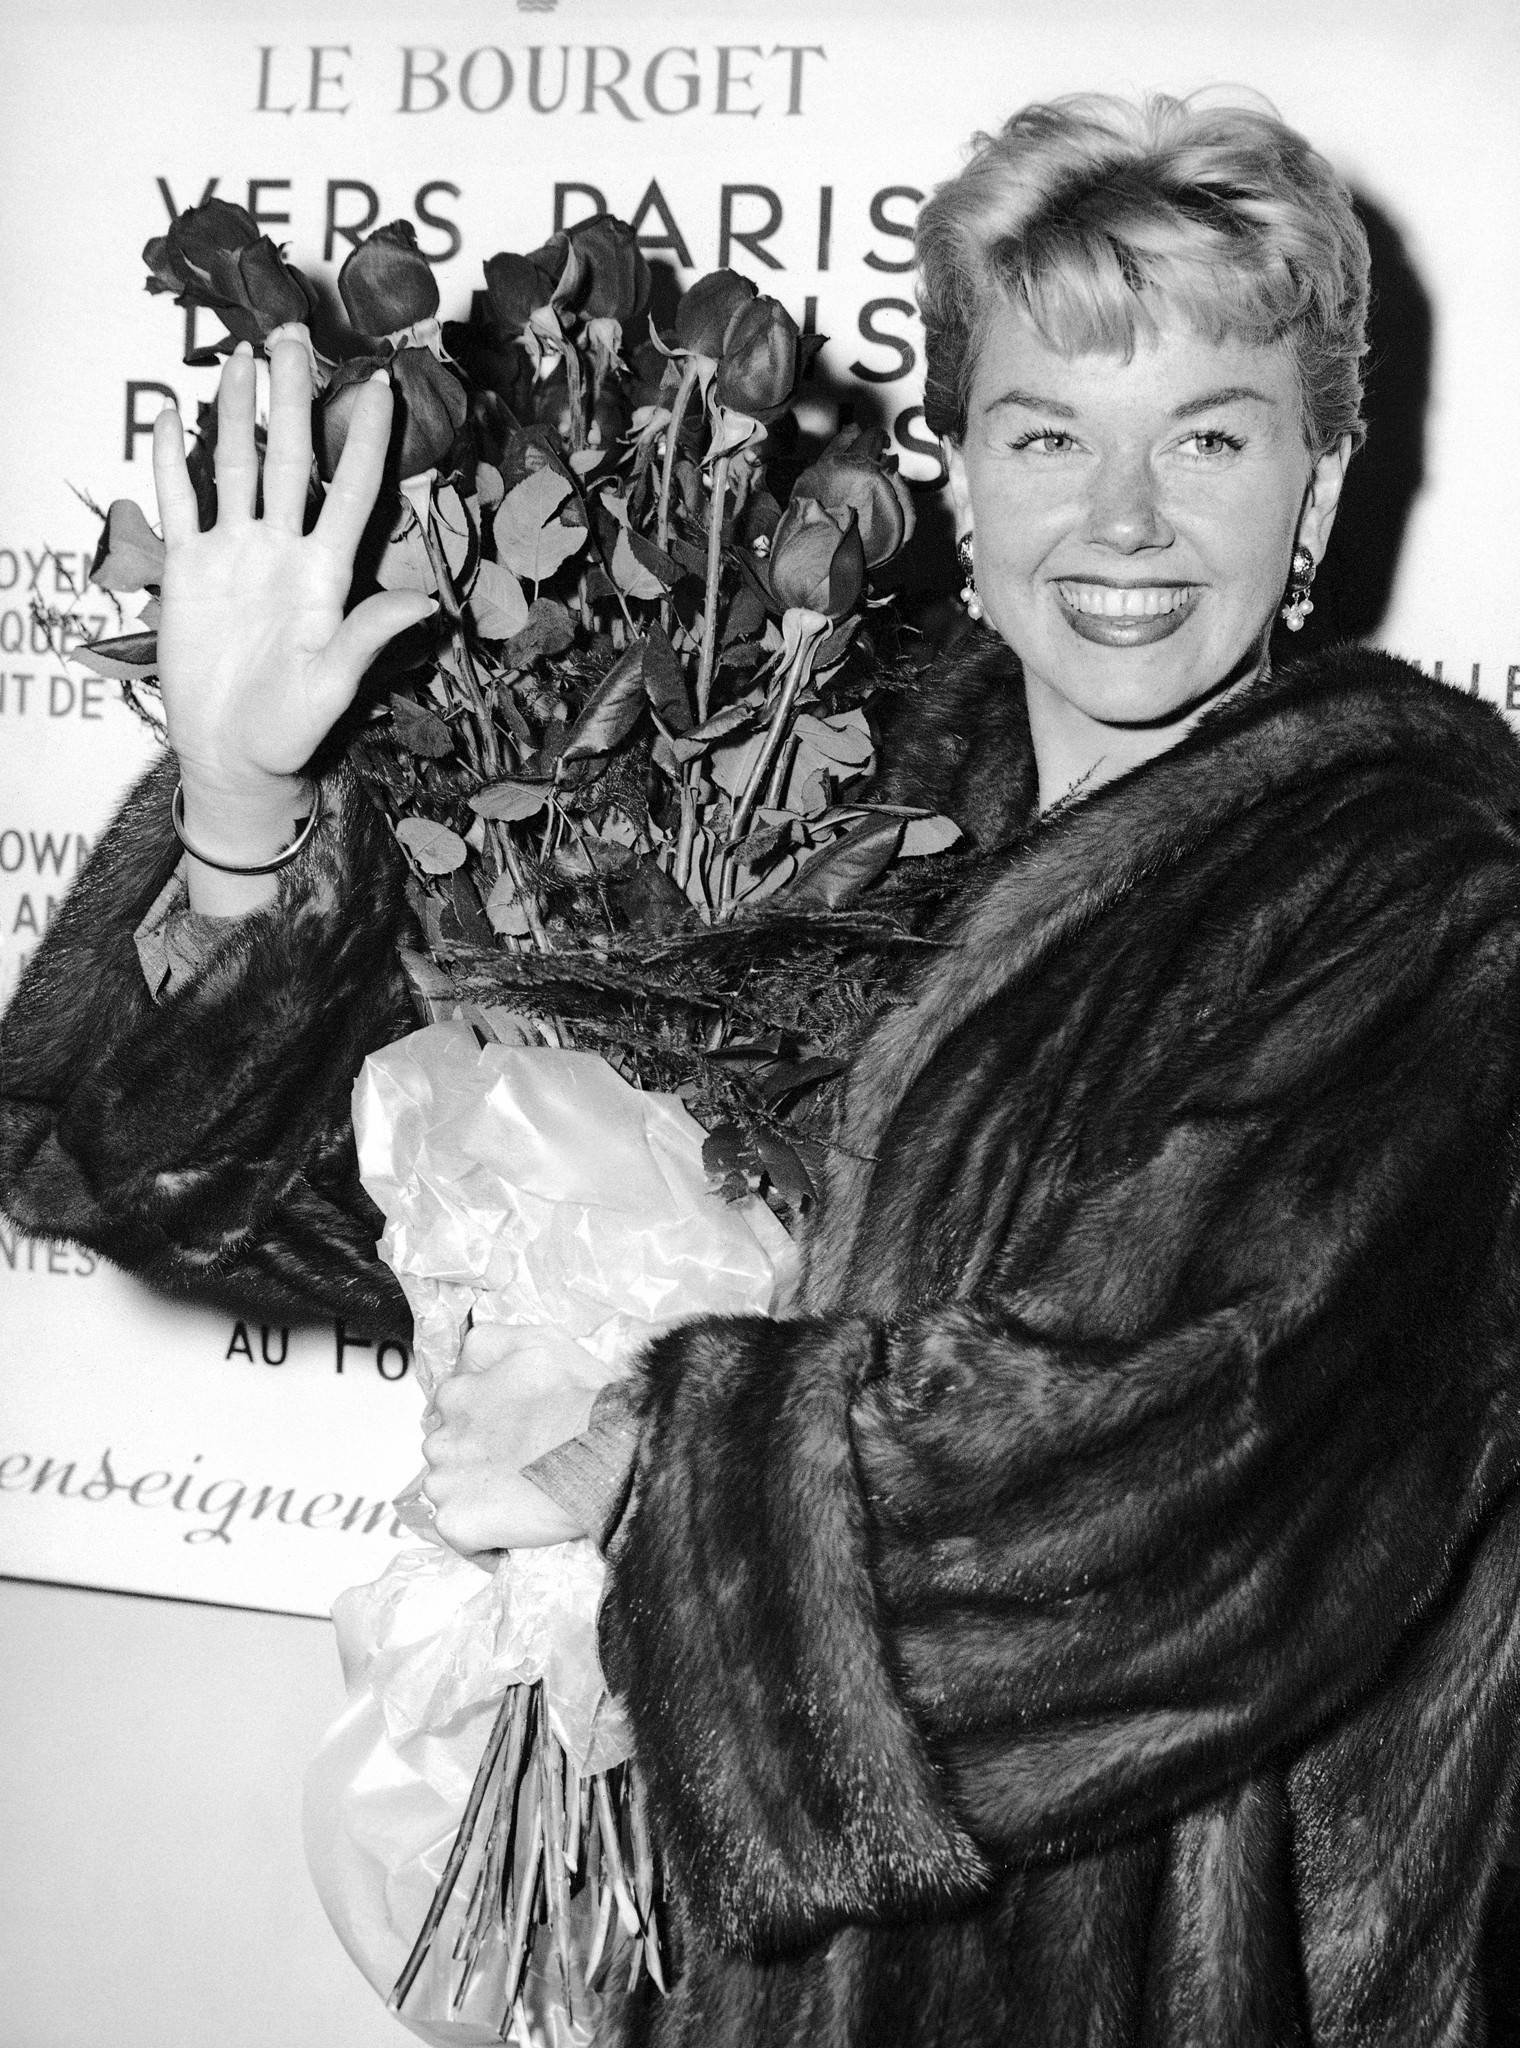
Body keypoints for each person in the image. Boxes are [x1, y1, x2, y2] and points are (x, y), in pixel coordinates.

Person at [3, 88, 1520, 2044]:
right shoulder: (814, 779)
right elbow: (348, 1206)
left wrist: (628, 1468)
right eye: (1047, 433)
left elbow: (1197, 1470)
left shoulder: (1426, 893)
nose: (1122, 520)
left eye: (1210, 440)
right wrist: (240, 812)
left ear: (1315, 480)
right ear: (961, 475)